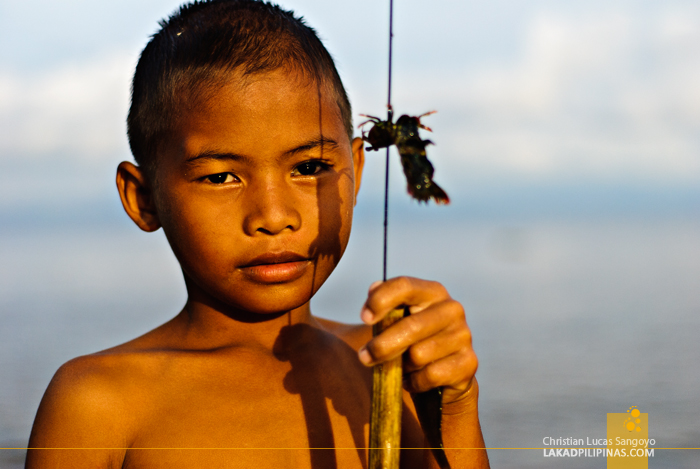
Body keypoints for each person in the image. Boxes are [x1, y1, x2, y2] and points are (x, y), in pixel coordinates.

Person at [25, 1, 489, 467]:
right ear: (144, 199)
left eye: (310, 168)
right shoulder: (98, 403)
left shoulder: (390, 367)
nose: (273, 216)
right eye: (221, 177)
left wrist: (454, 408)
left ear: (355, 171)